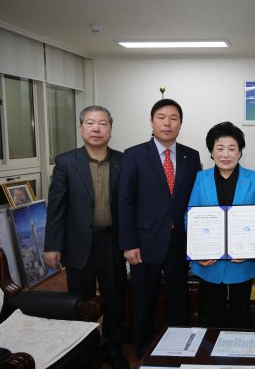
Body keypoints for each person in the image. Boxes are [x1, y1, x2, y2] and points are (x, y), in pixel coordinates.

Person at [43, 105, 128, 369]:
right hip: (79, 242)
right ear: (81, 128)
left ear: (110, 129)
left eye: (102, 123)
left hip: (112, 242)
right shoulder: (66, 162)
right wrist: (52, 245)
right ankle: (85, 349)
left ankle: (114, 350)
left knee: (114, 299)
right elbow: (57, 208)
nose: (96, 128)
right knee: (81, 300)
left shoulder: (123, 161)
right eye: (90, 123)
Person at [119, 98, 201, 357]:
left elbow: (195, 201)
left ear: (180, 123)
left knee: (178, 300)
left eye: (173, 118)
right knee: (145, 301)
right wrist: (129, 244)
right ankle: (144, 352)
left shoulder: (191, 155)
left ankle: (175, 350)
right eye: (161, 117)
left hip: (179, 243)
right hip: (144, 243)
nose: (167, 123)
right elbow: (125, 201)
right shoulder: (134, 154)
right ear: (151, 121)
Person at [188, 122, 255, 328]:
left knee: (241, 315)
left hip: (242, 261)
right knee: (212, 316)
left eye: (232, 148)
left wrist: (249, 252)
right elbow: (191, 217)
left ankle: (239, 357)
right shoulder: (200, 178)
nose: (226, 154)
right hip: (209, 261)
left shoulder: (253, 178)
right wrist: (200, 253)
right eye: (219, 148)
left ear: (240, 152)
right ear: (211, 152)